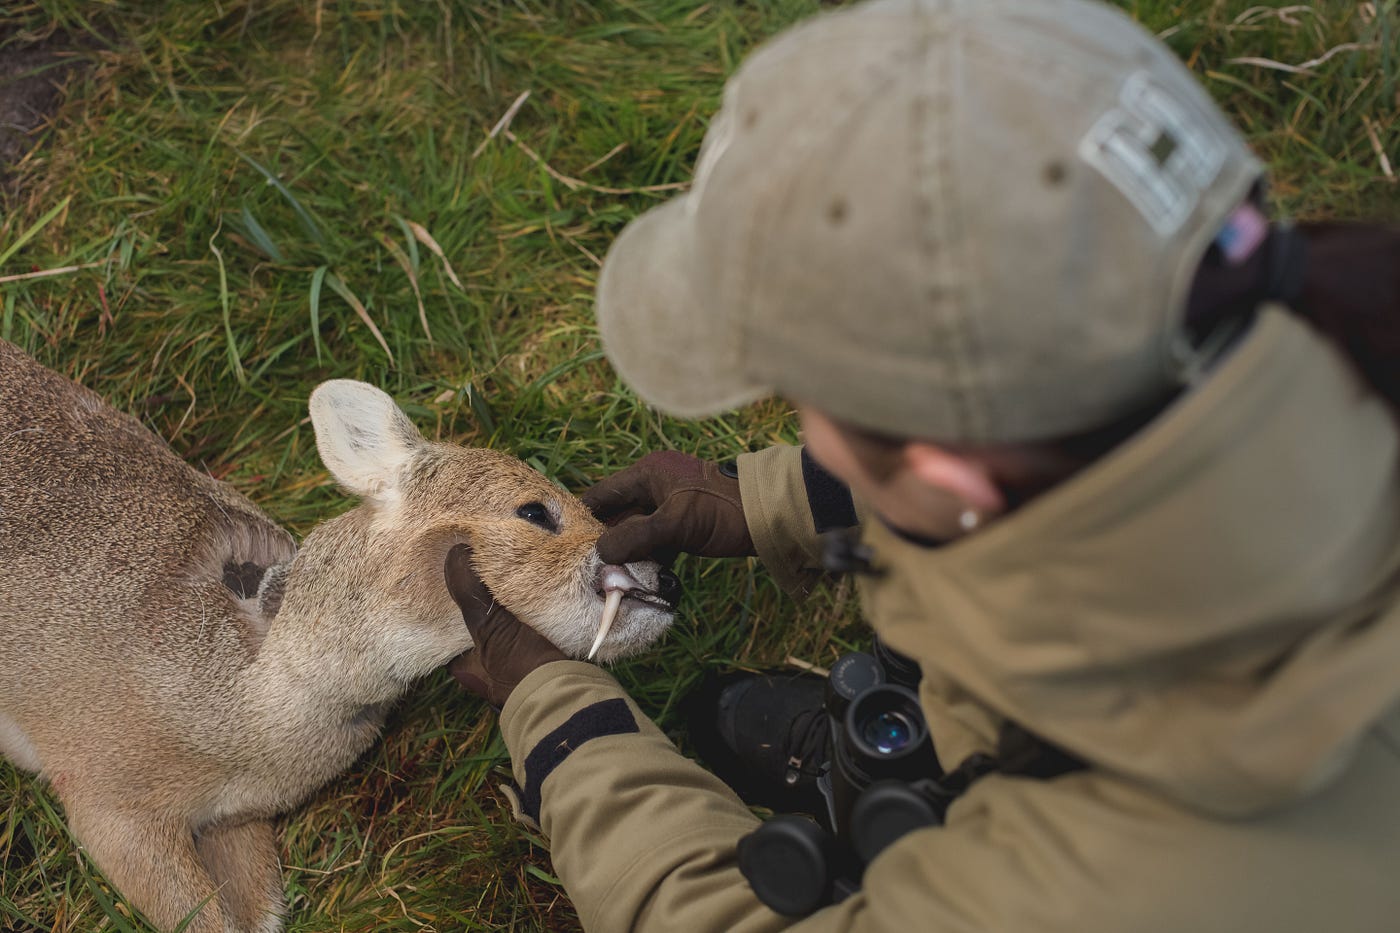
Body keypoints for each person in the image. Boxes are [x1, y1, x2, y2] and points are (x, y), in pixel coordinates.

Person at [443, 0, 1400, 929]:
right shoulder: (1306, 317)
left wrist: (565, 723)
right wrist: (777, 498)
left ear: (953, 480)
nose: (809, 438)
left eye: (815, 412)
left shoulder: (1120, 889)